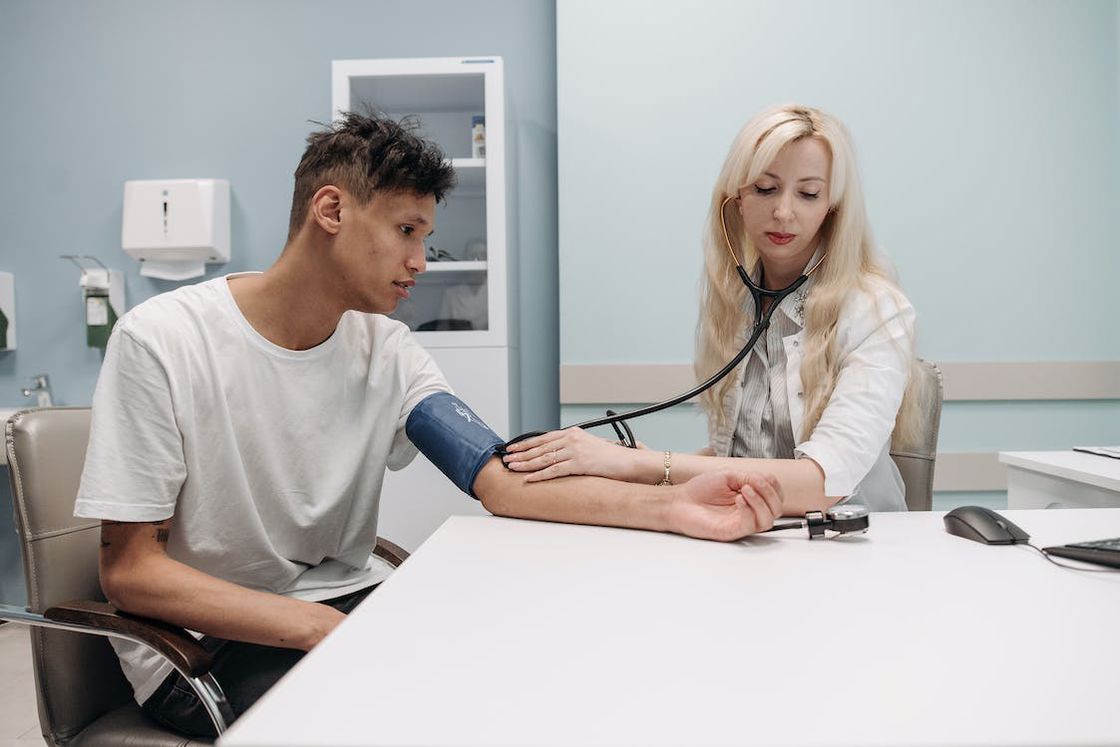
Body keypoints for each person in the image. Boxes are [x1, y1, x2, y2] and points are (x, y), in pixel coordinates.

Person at [74, 111, 784, 738]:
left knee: (528, 671)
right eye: (406, 230)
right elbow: (131, 572)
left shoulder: (386, 351)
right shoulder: (162, 341)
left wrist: (673, 506)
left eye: (426, 235)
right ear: (331, 209)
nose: (420, 260)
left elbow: (502, 482)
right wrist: (322, 628)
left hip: (343, 609)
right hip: (204, 650)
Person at [504, 104, 925, 515]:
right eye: (764, 188)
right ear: (737, 198)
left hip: (859, 546)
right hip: (758, 534)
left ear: (832, 208)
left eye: (809, 194)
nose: (783, 212)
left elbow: (822, 483)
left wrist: (641, 465)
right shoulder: (735, 304)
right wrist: (648, 471)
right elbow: (746, 453)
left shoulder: (876, 310)